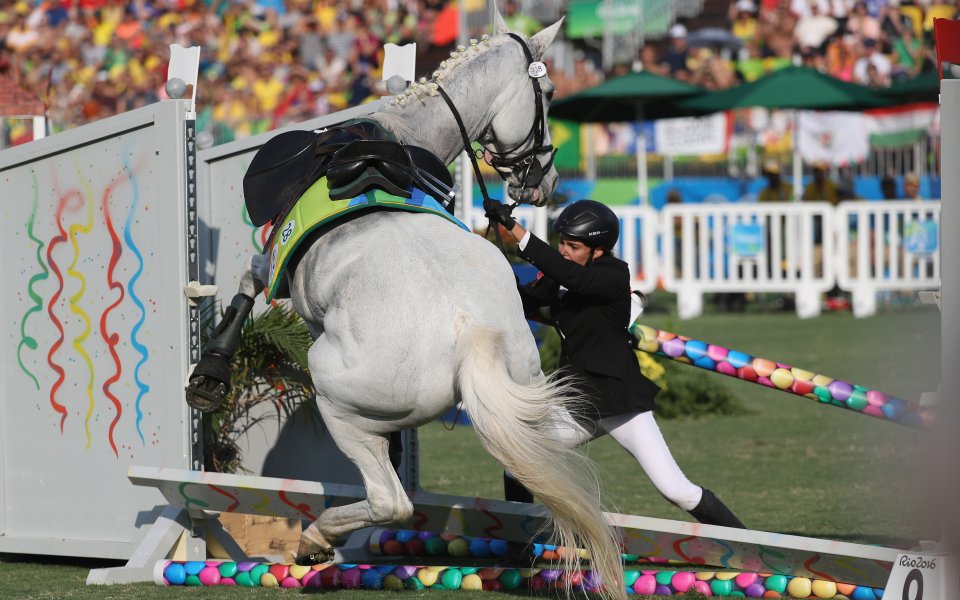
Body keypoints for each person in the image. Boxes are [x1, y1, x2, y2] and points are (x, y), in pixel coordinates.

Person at [485, 198, 745, 529]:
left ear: (598, 250)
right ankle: (517, 546)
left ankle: (749, 547)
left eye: (574, 245)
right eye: (562, 242)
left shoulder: (612, 275)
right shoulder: (560, 274)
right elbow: (523, 299)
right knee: (517, 458)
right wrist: (487, 266)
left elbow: (572, 278)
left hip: (618, 402)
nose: (564, 250)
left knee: (676, 490)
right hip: (577, 401)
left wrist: (516, 230)